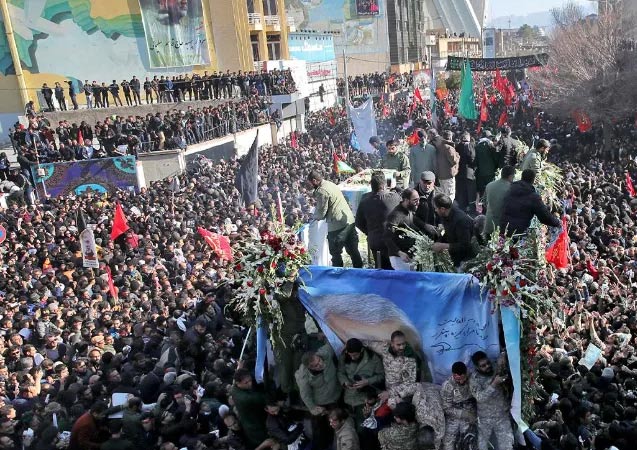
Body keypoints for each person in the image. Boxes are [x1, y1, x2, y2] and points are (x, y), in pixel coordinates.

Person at [308, 170, 363, 268]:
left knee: (335, 252)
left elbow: (321, 212)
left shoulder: (322, 191)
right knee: (353, 250)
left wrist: (313, 216)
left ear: (314, 181)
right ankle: (360, 272)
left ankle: (338, 276)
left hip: (337, 225)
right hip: (348, 220)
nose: (311, 185)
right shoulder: (330, 184)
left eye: (311, 183)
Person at [295, 343, 342, 450]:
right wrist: (312, 408)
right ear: (309, 367)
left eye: (319, 361)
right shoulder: (304, 376)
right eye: (315, 366)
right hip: (322, 403)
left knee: (335, 425)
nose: (320, 364)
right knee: (321, 430)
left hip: (336, 395)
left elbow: (332, 341)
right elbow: (305, 393)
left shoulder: (325, 353)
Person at [355, 171, 401, 269]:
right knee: (395, 269)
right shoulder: (395, 198)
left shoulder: (365, 201)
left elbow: (358, 222)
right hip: (392, 241)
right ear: (385, 186)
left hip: (375, 241)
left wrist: (370, 232)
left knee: (380, 268)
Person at [469, 351, 513, 450]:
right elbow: (479, 397)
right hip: (485, 418)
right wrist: (494, 384)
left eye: (488, 363)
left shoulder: (495, 368)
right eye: (483, 366)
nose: (487, 366)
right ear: (477, 367)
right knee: (482, 446)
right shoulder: (474, 379)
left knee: (507, 445)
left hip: (502, 415)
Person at [337, 338, 384, 429]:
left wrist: (367, 381)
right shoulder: (344, 356)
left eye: (355, 355)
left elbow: (381, 375)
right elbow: (340, 372)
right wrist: (345, 382)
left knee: (361, 427)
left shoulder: (373, 358)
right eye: (350, 355)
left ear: (362, 350)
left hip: (364, 398)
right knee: (347, 426)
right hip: (349, 397)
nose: (352, 358)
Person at [384, 188, 433, 271]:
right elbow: (386, 237)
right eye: (415, 200)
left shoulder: (408, 209)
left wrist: (426, 226)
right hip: (399, 257)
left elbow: (413, 219)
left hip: (409, 255)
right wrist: (399, 253)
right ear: (406, 200)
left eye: (419, 200)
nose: (418, 203)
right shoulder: (396, 215)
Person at [500, 169, 560, 235]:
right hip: (518, 232)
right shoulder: (533, 197)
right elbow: (544, 216)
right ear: (533, 180)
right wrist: (557, 222)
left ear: (522, 177)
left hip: (503, 228)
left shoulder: (510, 189)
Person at [365, 330, 431, 390]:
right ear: (392, 344)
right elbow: (369, 344)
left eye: (403, 344)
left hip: (401, 394)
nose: (402, 347)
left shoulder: (410, 359)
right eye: (398, 345)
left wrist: (390, 393)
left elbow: (409, 384)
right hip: (387, 389)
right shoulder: (385, 349)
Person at [431, 193, 476, 268]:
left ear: (442, 209)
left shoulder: (461, 221)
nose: (435, 210)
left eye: (436, 208)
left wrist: (443, 246)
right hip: (454, 256)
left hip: (465, 260)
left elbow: (465, 245)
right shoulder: (445, 215)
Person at [440, 362, 477, 450]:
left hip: (471, 412)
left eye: (463, 379)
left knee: (469, 440)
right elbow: (446, 408)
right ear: (453, 375)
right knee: (448, 442)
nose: (461, 382)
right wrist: (464, 414)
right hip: (454, 416)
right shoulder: (447, 386)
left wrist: (471, 414)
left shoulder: (472, 377)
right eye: (458, 380)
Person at [230, 368, 268, 449]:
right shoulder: (245, 398)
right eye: (246, 382)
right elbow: (264, 399)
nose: (250, 383)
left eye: (250, 380)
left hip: (251, 423)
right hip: (257, 428)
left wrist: (239, 367)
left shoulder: (234, 389)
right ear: (238, 383)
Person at [483, 165, 515, 237]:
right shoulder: (511, 188)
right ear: (510, 176)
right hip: (502, 226)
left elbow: (484, 203)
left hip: (489, 223)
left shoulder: (489, 185)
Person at [433, 130, 460, 203]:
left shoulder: (440, 146)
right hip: (448, 175)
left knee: (443, 195)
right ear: (450, 137)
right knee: (450, 195)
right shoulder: (448, 148)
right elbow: (453, 161)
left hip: (441, 175)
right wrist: (457, 155)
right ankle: (448, 210)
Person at [455, 131, 477, 213]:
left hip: (459, 173)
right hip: (469, 173)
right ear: (468, 138)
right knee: (471, 192)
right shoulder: (470, 146)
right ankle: (471, 209)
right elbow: (472, 159)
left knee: (461, 191)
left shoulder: (457, 146)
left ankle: (461, 208)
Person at [475, 130, 499, 200]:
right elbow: (495, 158)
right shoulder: (490, 145)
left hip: (480, 172)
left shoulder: (477, 146)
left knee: (483, 192)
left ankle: (483, 206)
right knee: (490, 191)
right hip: (490, 172)